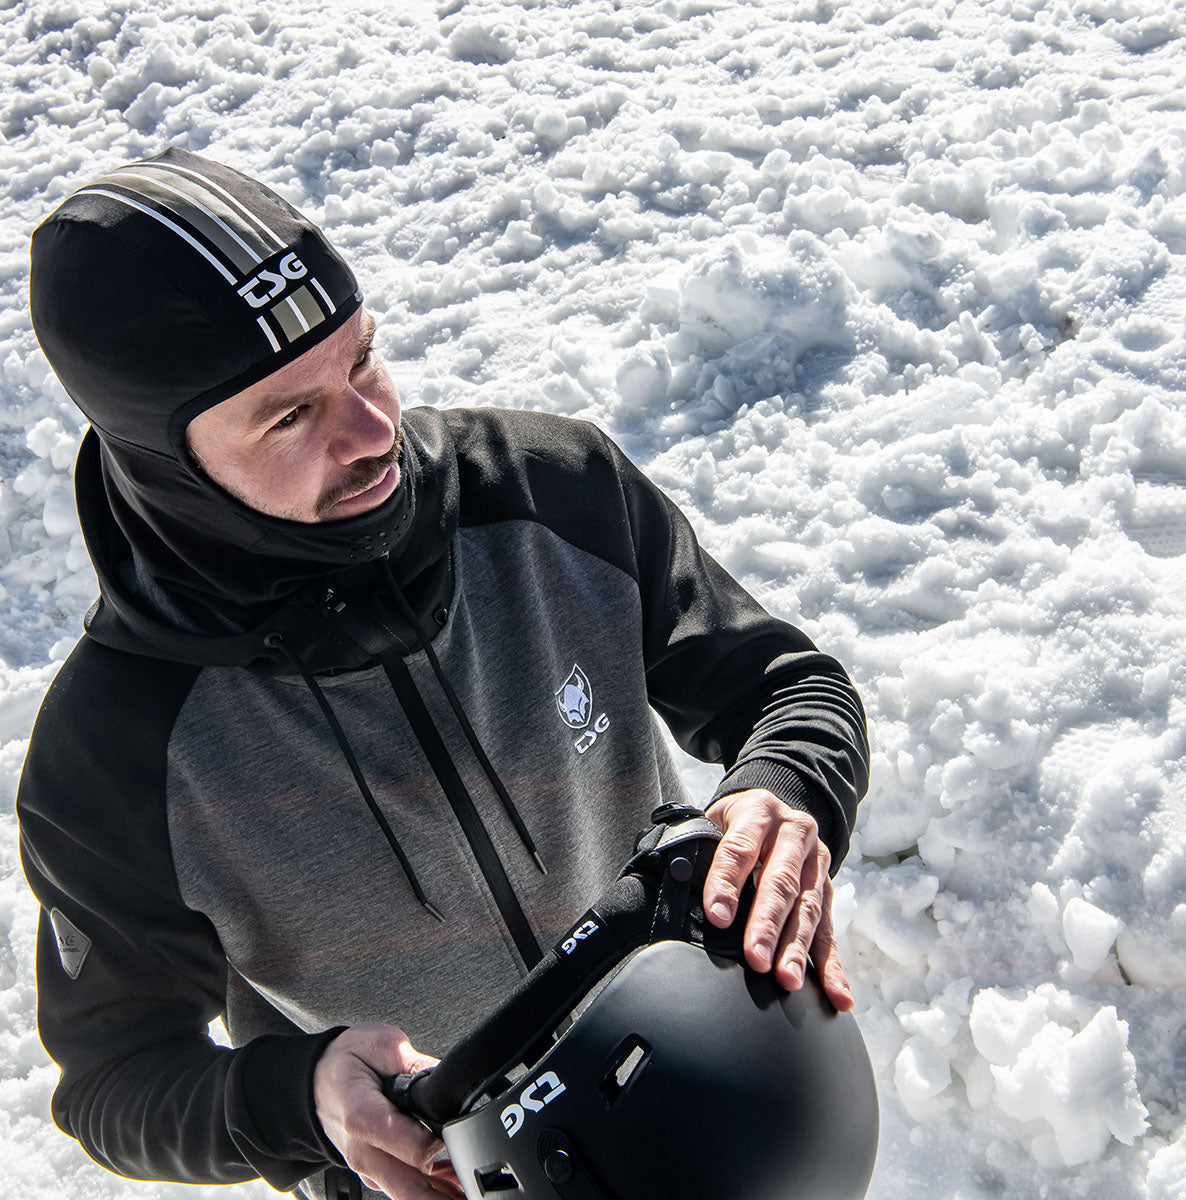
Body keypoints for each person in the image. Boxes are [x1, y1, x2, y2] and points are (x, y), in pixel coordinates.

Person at [17, 148, 869, 1200]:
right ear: (166, 463)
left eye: (363, 361)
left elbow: (783, 684)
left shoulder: (551, 492)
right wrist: (304, 1099)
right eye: (289, 416)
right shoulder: (114, 750)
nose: (373, 432)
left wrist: (783, 796)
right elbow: (115, 1080)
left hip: (709, 1100)